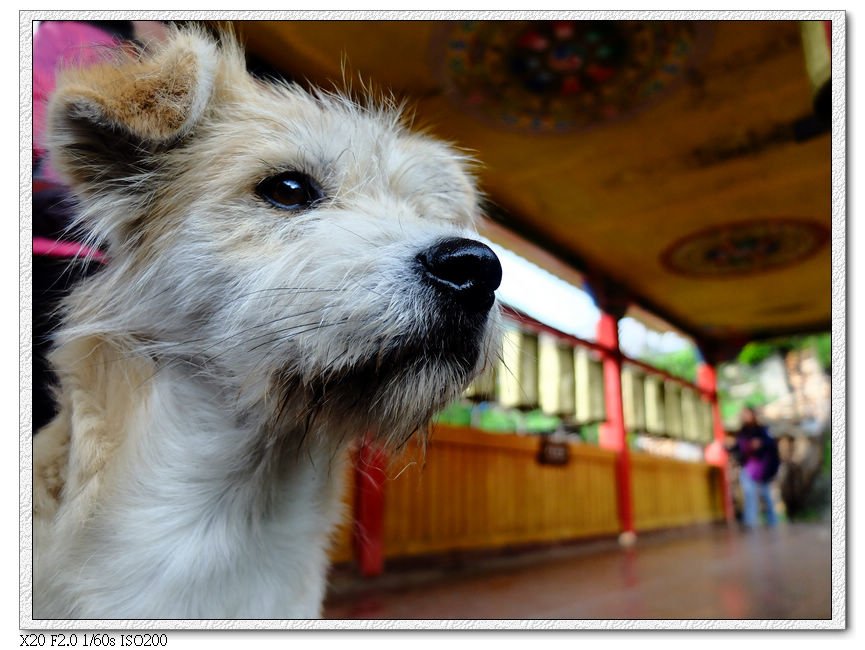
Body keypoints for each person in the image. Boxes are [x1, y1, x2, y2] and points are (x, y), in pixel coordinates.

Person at [729, 407, 781, 529]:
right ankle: (750, 522)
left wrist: (760, 443)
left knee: (766, 495)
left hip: (763, 468)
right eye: (743, 415)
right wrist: (728, 448)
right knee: (749, 495)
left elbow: (771, 444)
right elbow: (737, 448)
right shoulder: (742, 432)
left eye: (747, 414)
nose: (745, 417)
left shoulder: (762, 430)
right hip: (748, 467)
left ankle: (772, 522)